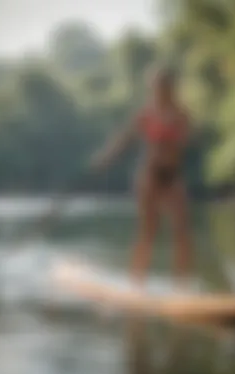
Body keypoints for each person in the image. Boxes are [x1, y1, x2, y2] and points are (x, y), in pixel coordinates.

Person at [91, 65, 194, 291]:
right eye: (157, 86)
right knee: (148, 231)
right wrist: (104, 159)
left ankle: (181, 288)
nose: (160, 90)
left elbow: (184, 141)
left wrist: (172, 133)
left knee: (181, 231)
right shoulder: (146, 114)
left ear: (172, 87)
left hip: (173, 177)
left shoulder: (182, 114)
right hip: (149, 176)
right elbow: (124, 139)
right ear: (153, 88)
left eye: (165, 86)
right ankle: (136, 286)